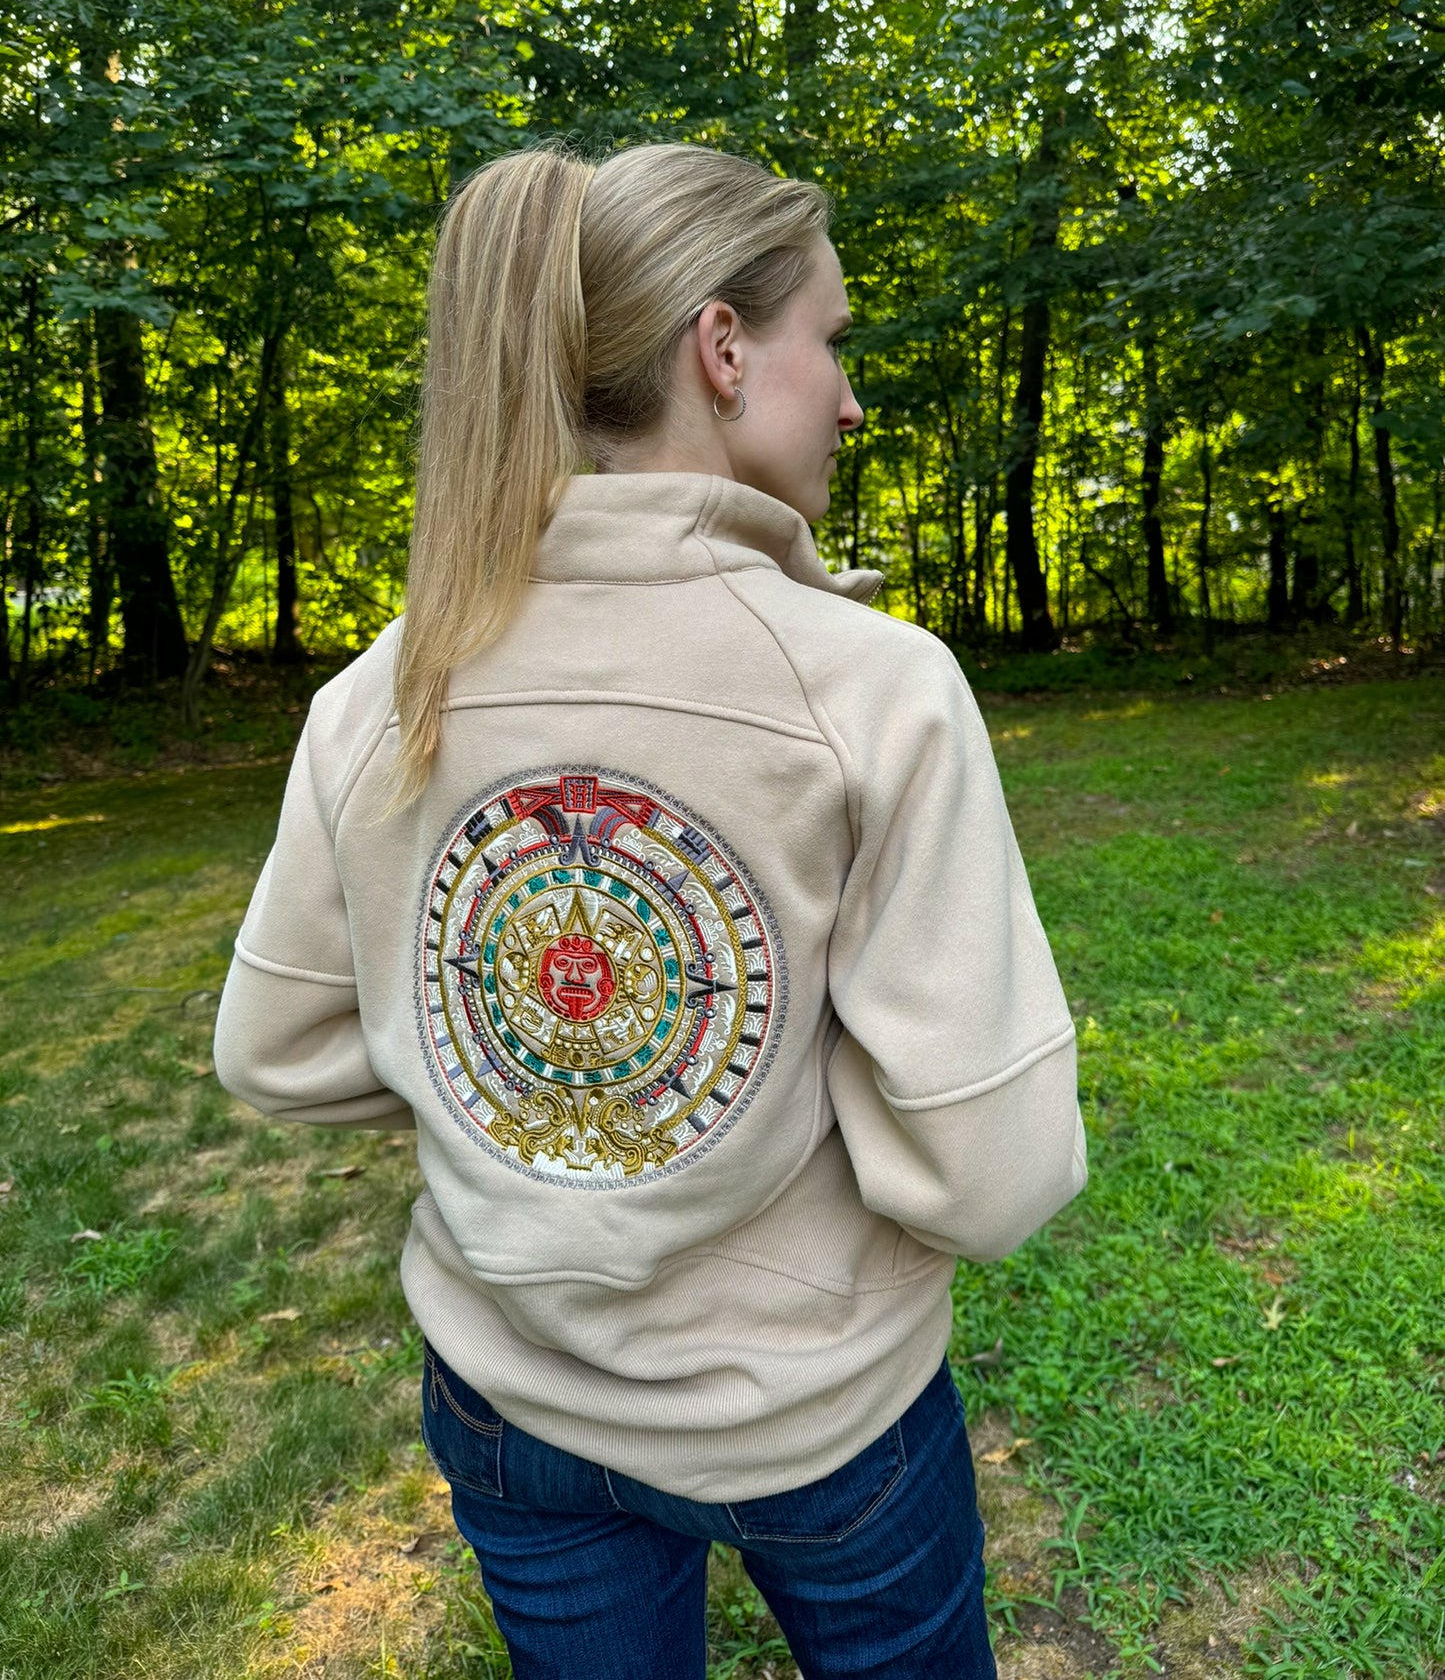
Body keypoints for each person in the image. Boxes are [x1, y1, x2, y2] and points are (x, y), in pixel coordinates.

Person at [213, 139, 1088, 1680]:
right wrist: (758, 1098)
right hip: (821, 1425)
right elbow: (992, 1171)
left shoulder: (384, 688)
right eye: (833, 340)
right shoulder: (871, 689)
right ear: (724, 346)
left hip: (510, 1406)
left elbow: (277, 1051)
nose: (852, 396)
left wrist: (524, 1089)